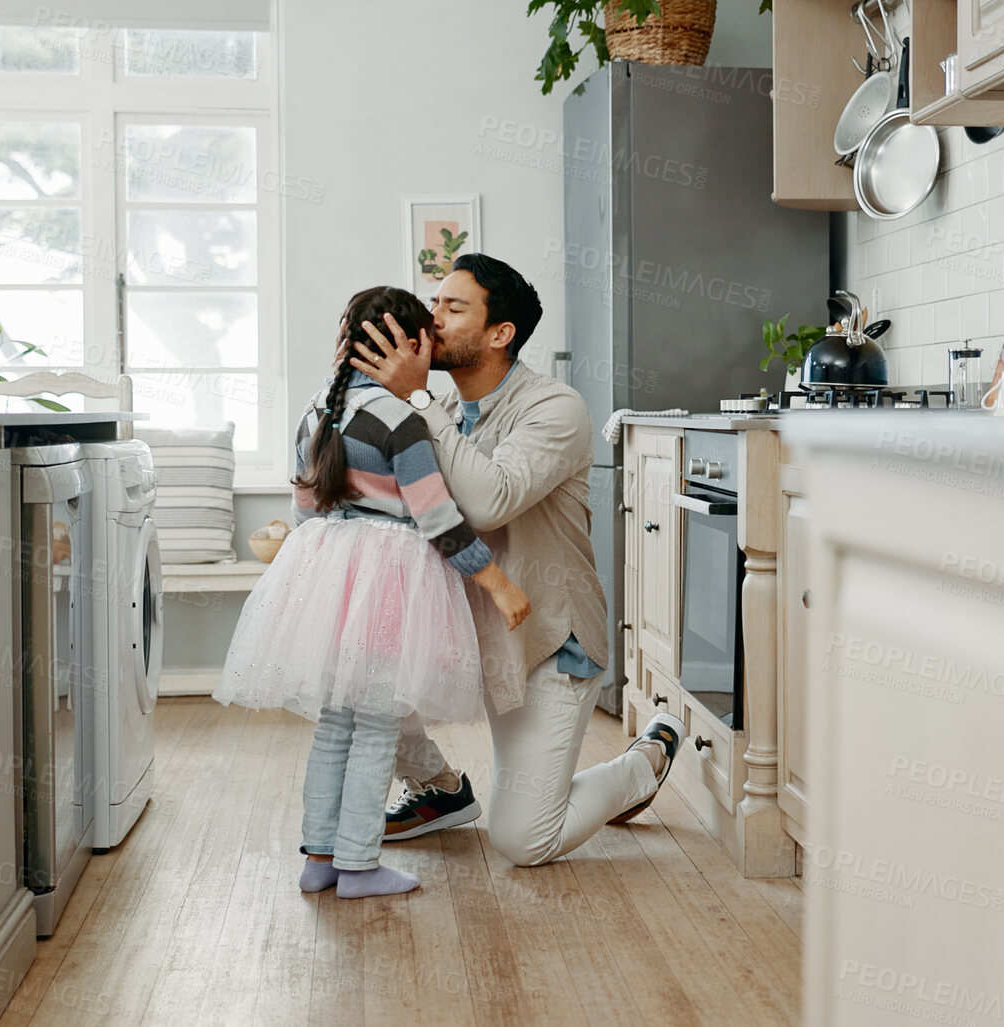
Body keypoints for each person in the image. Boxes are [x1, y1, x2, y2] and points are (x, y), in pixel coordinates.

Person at [349, 252, 686, 867]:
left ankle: (644, 761)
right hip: (467, 629)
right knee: (357, 670)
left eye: (454, 308)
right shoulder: (444, 411)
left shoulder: (555, 408)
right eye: (434, 303)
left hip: (546, 642)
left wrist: (417, 397)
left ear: (500, 334)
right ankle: (440, 791)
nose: (433, 319)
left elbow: (489, 500)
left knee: (522, 841)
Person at [211, 285, 532, 899]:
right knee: (379, 726)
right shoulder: (404, 420)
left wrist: (319, 584)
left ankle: (320, 858)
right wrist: (495, 582)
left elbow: (305, 510)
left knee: (335, 724)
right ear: (410, 346)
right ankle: (360, 865)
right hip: (392, 581)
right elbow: (436, 516)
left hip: (329, 573)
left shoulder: (317, 411)